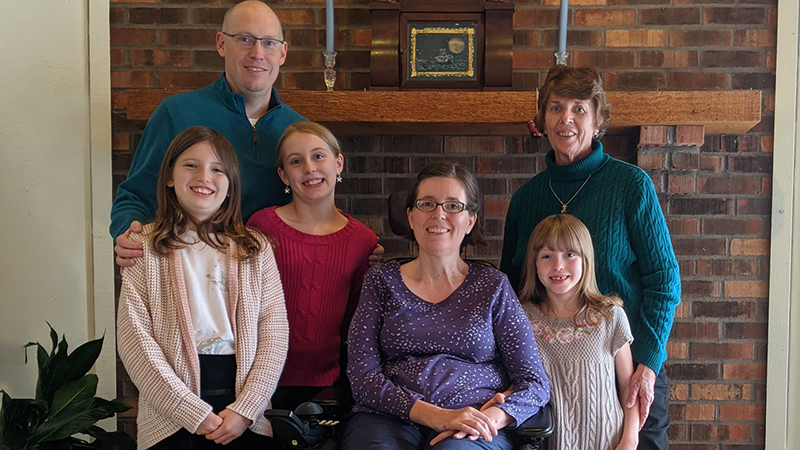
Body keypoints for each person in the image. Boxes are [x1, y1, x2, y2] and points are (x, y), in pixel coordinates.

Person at [500, 65, 681, 450]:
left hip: (626, 362)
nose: (566, 118)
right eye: (555, 108)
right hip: (552, 372)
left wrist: (647, 364)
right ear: (542, 121)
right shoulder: (526, 199)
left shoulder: (631, 185)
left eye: (579, 108)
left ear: (597, 120)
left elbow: (664, 281)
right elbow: (511, 287)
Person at [342, 161, 550, 450]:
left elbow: (534, 382)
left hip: (473, 416)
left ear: (470, 220)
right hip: (388, 415)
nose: (439, 214)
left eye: (453, 206)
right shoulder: (380, 280)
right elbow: (362, 377)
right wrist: (437, 417)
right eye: (427, 203)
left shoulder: (493, 285)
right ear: (411, 217)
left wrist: (489, 418)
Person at [116, 126, 289, 450]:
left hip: (242, 407)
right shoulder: (143, 248)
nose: (204, 176)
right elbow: (135, 341)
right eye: (191, 165)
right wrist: (190, 412)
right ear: (169, 176)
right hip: (170, 411)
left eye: (217, 169)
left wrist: (246, 408)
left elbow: (274, 331)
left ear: (231, 184)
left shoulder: (257, 248)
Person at [111, 0, 305, 265]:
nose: (258, 53)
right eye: (245, 39)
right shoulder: (175, 113)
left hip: (275, 280)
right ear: (221, 44)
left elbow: (316, 208)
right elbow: (135, 196)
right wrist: (127, 234)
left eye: (269, 43)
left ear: (283, 53)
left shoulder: (299, 132)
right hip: (190, 275)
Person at [247, 122, 378, 408]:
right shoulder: (261, 226)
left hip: (327, 383)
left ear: (338, 163)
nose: (309, 167)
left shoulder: (363, 240)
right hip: (257, 379)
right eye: (296, 161)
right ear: (283, 175)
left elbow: (355, 320)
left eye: (319, 156)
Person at [519, 213, 638, 450]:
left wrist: (630, 440)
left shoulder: (609, 316)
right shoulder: (521, 318)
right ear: (534, 263)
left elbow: (629, 390)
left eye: (569, 254)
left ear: (586, 259)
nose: (558, 265)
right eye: (546, 256)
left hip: (609, 442)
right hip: (548, 443)